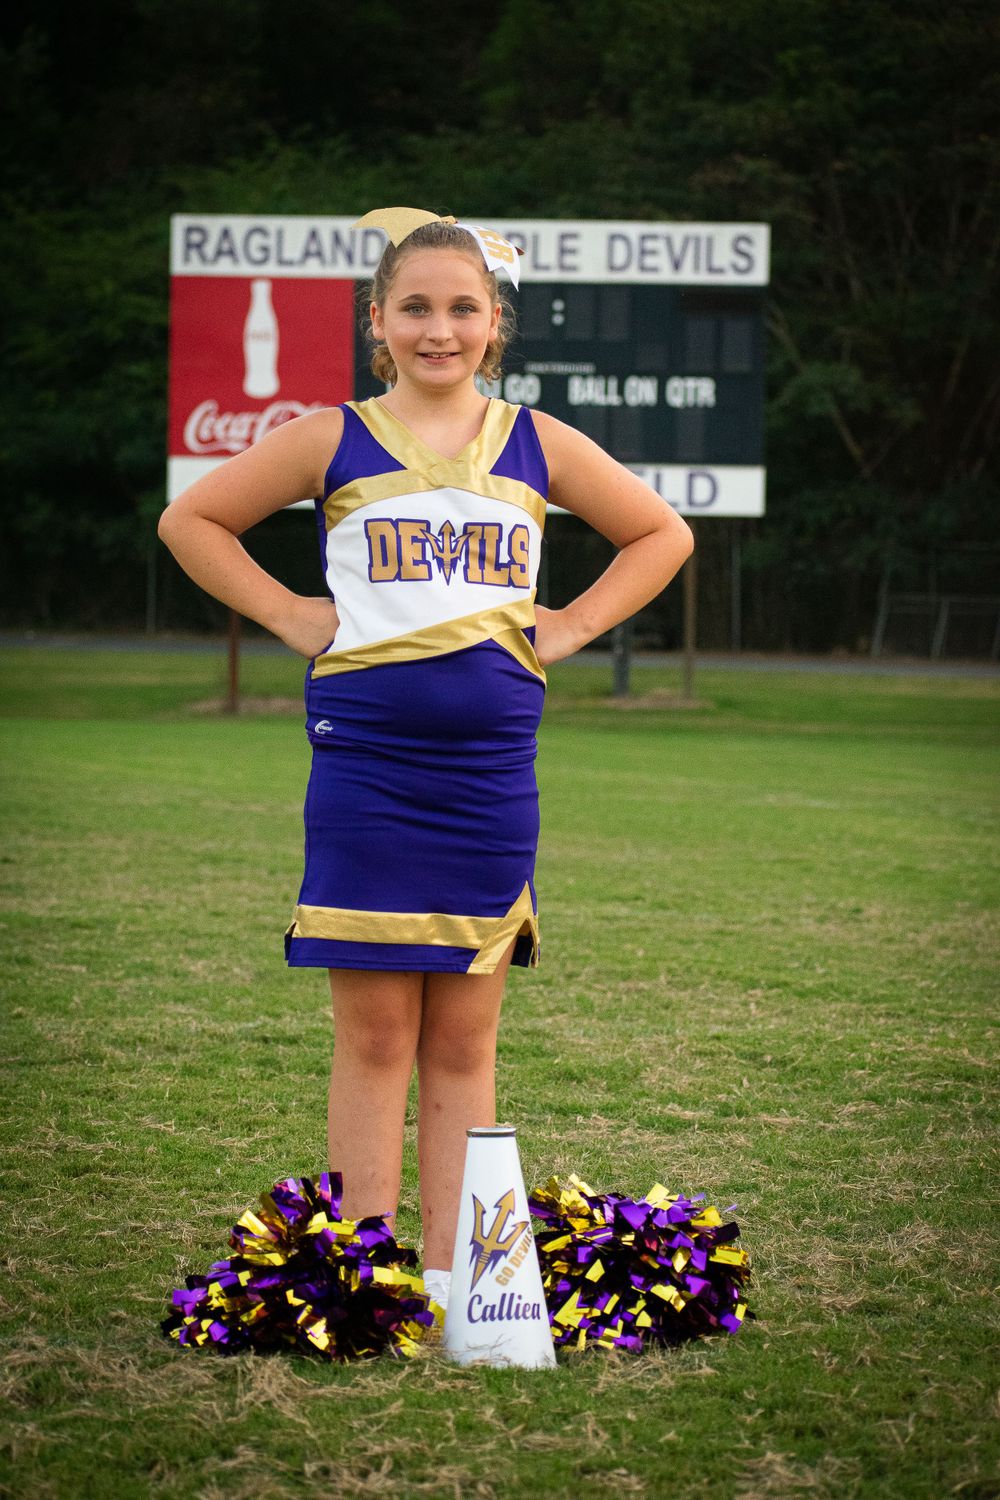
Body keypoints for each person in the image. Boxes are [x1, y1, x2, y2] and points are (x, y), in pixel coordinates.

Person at [158, 208, 693, 1310]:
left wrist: (568, 628)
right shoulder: (331, 438)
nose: (438, 329)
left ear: (495, 323)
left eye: (461, 308)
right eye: (415, 308)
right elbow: (192, 522)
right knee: (372, 1036)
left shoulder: (537, 442)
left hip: (489, 781)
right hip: (366, 772)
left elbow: (662, 533)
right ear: (377, 321)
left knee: (463, 1039)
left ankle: (453, 1278)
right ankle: (362, 1276)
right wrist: (294, 614)